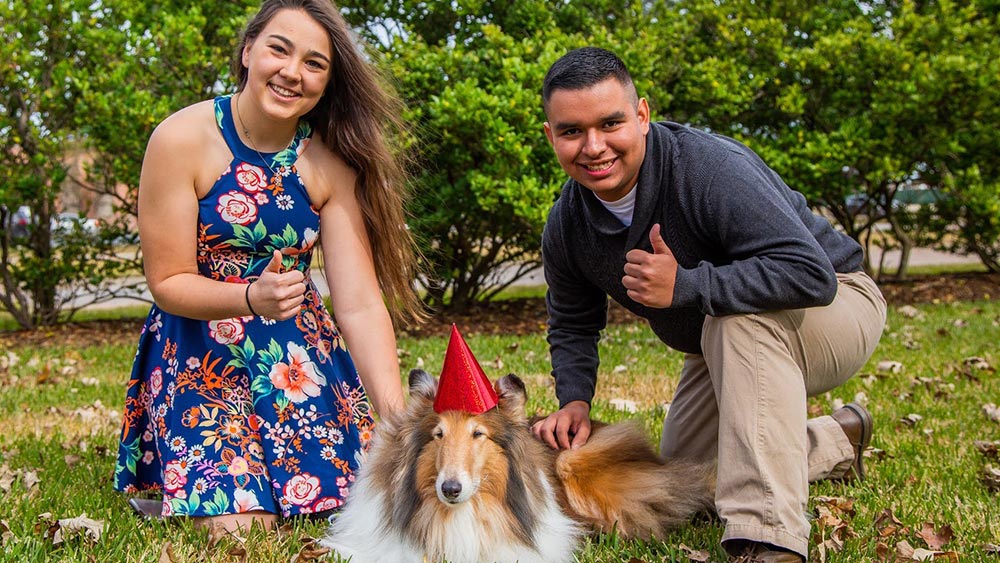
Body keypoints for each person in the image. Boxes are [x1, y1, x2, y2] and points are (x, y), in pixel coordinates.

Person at [531, 47, 886, 562]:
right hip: (721, 338)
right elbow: (572, 321)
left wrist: (688, 287)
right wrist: (575, 399)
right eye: (571, 132)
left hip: (838, 303)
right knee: (683, 477)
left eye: (611, 123)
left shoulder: (709, 169)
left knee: (735, 323)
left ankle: (768, 538)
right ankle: (838, 440)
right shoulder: (567, 225)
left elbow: (811, 274)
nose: (594, 146)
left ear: (643, 115)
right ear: (551, 136)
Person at [114, 0, 423, 533]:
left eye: (314, 63)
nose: (291, 72)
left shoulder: (327, 164)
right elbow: (166, 283)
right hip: (201, 356)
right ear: (247, 51)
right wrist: (249, 298)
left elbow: (359, 302)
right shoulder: (180, 140)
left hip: (298, 365)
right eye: (279, 49)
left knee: (345, 508)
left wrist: (395, 419)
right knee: (243, 528)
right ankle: (193, 487)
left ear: (326, 83)